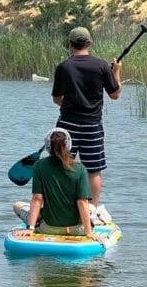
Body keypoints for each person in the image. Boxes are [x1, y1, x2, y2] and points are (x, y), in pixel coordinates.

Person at [50, 26, 121, 222]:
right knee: (94, 169)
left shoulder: (63, 67)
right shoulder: (101, 66)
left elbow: (57, 98)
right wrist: (116, 72)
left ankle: (62, 206)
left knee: (61, 165)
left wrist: (72, 105)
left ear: (70, 45)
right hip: (92, 125)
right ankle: (91, 208)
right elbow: (115, 94)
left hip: (67, 126)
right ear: (89, 43)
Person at [12, 128, 97, 238]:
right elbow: (82, 202)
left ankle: (35, 222)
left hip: (48, 228)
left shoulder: (39, 166)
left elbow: (37, 199)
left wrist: (30, 228)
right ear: (68, 145)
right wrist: (88, 232)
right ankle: (98, 218)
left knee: (17, 205)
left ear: (48, 146)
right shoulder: (80, 169)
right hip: (76, 230)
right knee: (92, 208)